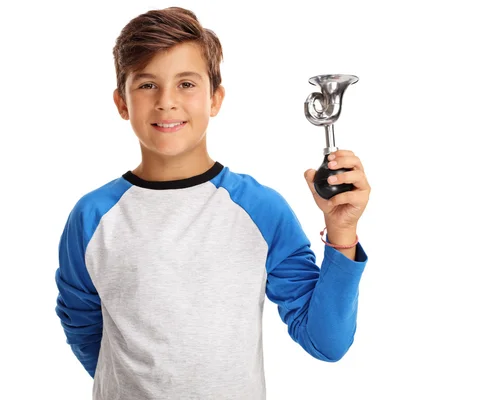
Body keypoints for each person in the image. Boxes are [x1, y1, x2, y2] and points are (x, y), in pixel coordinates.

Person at [54, 6, 370, 400]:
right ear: (122, 103)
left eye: (186, 84)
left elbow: (326, 342)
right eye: (147, 85)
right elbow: (83, 326)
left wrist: (342, 232)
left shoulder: (261, 209)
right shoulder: (92, 217)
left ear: (215, 99)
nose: (167, 102)